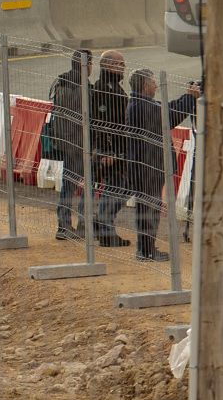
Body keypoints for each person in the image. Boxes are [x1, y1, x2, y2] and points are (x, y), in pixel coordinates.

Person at [118, 71, 200, 261]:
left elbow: (167, 108)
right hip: (147, 165)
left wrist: (187, 96)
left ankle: (145, 248)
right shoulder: (141, 105)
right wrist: (190, 97)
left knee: (148, 208)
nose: (156, 86)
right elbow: (170, 117)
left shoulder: (142, 103)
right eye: (153, 82)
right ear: (145, 85)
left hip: (147, 164)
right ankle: (145, 250)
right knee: (149, 209)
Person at [42, 50, 89, 239]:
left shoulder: (61, 83)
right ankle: (82, 225)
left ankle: (64, 225)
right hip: (79, 144)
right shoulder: (81, 87)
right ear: (88, 65)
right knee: (86, 185)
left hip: (64, 141)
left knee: (68, 185)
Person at [86, 50, 131, 246]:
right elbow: (101, 122)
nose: (123, 68)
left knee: (120, 187)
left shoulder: (114, 87)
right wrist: (106, 151)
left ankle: (103, 225)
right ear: (109, 65)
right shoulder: (104, 88)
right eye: (120, 64)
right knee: (116, 187)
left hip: (121, 148)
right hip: (113, 150)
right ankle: (105, 229)